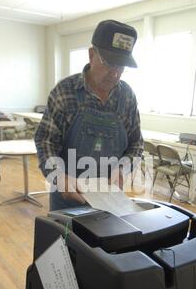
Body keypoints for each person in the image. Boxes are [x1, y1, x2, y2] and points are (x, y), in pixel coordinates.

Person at [35, 20, 143, 211]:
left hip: (110, 199)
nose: (115, 74)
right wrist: (59, 175)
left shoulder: (127, 97)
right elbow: (46, 142)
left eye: (121, 66)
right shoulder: (65, 92)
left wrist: (122, 169)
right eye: (109, 63)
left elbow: (136, 145)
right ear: (92, 55)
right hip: (67, 198)